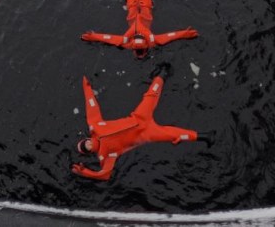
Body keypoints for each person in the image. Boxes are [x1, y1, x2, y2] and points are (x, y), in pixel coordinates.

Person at [72, 66, 213, 181]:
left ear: (86, 139)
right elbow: (105, 174)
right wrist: (86, 173)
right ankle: (204, 136)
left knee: (151, 95)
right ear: (89, 152)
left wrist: (87, 86)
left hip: (139, 117)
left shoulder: (95, 126)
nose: (89, 144)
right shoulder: (105, 155)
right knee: (172, 134)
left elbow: (91, 106)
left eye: (86, 143)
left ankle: (163, 73)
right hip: (146, 135)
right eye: (87, 148)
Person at [82, 0, 198, 58]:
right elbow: (170, 36)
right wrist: (185, 33)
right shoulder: (153, 42)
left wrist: (93, 36)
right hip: (145, 14)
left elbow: (108, 38)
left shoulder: (126, 43)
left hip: (132, 14)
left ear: (133, 49)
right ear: (146, 48)